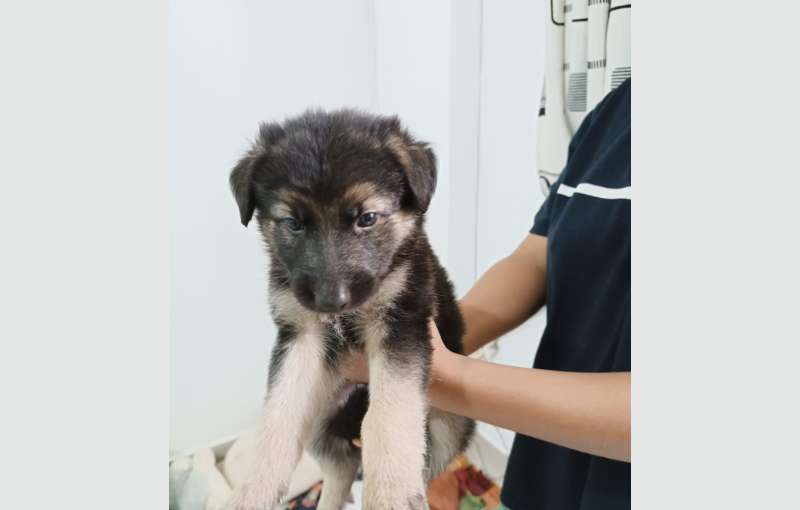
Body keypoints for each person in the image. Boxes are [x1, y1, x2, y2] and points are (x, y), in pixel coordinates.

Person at [344, 79, 631, 509]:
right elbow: (536, 258)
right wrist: (434, 333)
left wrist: (437, 375)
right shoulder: (614, 113)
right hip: (549, 470)